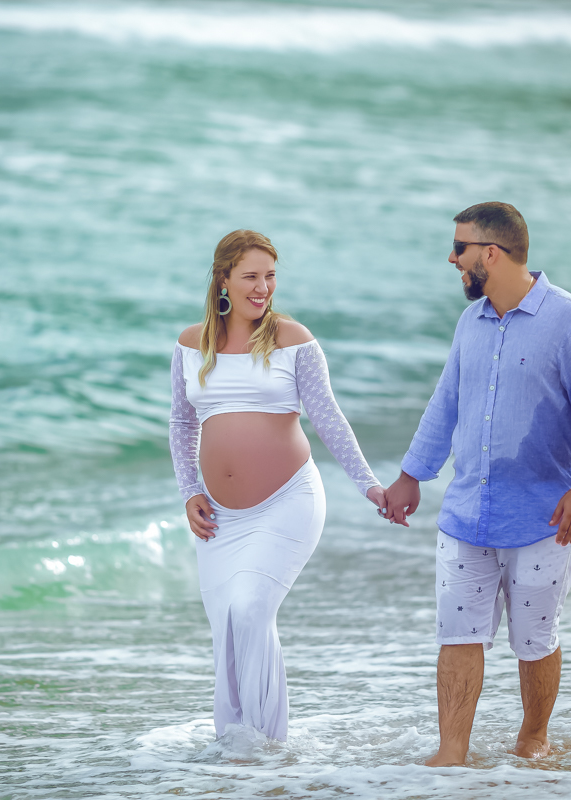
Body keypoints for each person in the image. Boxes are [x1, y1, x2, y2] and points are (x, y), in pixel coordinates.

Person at [382, 202, 571, 766]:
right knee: (457, 632)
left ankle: (533, 737)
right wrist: (412, 475)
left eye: (459, 247)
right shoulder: (472, 321)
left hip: (545, 515)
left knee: (534, 638)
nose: (452, 257)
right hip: (468, 512)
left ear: (490, 253)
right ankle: (451, 752)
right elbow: (446, 404)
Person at [169, 229, 385, 742]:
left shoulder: (292, 339)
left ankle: (267, 744)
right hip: (220, 516)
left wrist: (370, 487)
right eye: (250, 276)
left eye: (269, 276)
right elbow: (182, 424)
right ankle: (238, 748)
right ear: (223, 279)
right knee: (228, 629)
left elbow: (329, 419)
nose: (262, 287)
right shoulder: (190, 342)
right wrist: (189, 491)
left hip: (288, 501)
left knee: (248, 609)